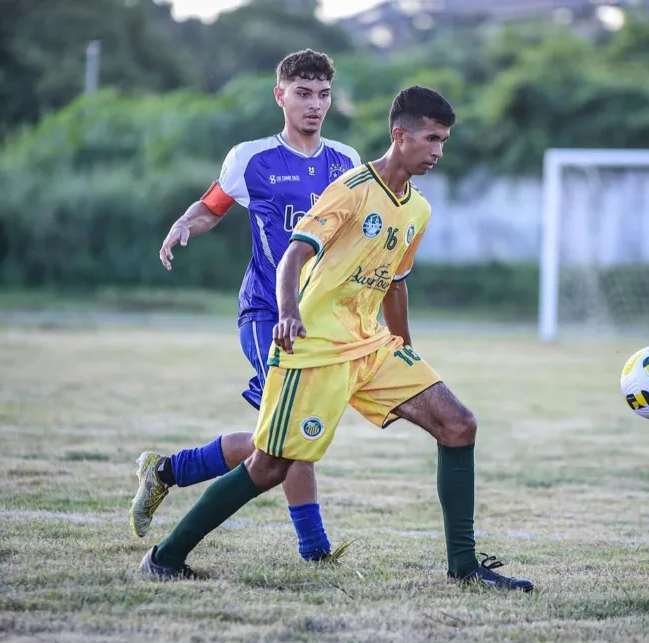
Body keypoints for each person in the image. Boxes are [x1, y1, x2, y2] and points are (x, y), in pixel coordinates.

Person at [138, 85, 535, 592]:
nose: (439, 151)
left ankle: (465, 568)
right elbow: (294, 255)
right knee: (270, 466)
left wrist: (404, 345)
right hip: (314, 348)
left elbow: (395, 281)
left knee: (458, 425)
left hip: (371, 346)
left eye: (445, 141)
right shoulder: (351, 187)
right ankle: (166, 557)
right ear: (400, 135)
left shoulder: (418, 210)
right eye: (432, 139)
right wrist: (286, 314)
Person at [129, 49, 361, 563]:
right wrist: (184, 224)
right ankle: (315, 550)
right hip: (264, 313)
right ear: (280, 95)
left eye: (323, 95)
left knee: (279, 437)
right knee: (293, 430)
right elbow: (212, 207)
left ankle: (167, 471)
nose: (314, 105)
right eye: (303, 93)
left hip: (320, 321)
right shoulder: (251, 158)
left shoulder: (347, 163)